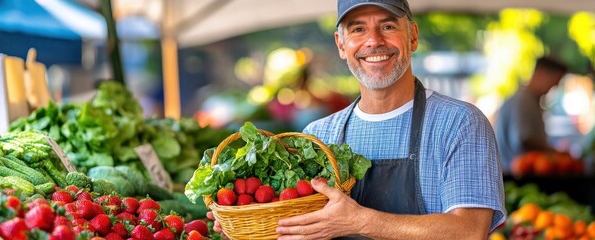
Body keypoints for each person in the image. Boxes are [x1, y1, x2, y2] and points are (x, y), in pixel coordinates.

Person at [208, 0, 506, 239]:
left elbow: (469, 231)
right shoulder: (318, 136)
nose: (374, 41)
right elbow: (304, 225)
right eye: (358, 29)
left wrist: (361, 221)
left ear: (413, 36)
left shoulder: (459, 123)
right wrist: (250, 223)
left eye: (388, 26)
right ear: (341, 44)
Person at [494, 56, 568, 173]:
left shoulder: (529, 99)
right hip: (517, 174)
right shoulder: (524, 100)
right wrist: (554, 152)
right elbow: (524, 139)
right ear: (541, 74)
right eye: (554, 83)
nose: (553, 88)